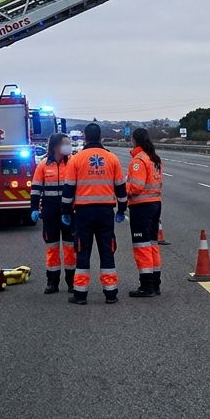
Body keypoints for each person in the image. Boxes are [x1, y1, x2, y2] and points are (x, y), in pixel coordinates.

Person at [60, 122, 127, 305]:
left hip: (83, 213)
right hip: (105, 212)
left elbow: (68, 191)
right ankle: (111, 293)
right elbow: (121, 188)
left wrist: (65, 212)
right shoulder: (112, 158)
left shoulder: (76, 159)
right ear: (100, 137)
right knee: (107, 251)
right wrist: (122, 210)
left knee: (82, 251)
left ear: (84, 136)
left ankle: (80, 294)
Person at [31, 132, 76, 294]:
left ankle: (71, 281)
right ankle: (52, 282)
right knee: (52, 248)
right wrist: (34, 208)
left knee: (70, 248)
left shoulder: (73, 163)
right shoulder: (44, 165)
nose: (68, 146)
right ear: (56, 146)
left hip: (69, 211)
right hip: (50, 212)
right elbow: (36, 189)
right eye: (66, 143)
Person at [126, 128, 164, 298]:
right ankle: (155, 283)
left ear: (135, 141)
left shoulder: (139, 160)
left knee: (142, 246)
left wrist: (121, 189)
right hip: (155, 205)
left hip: (141, 207)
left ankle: (146, 285)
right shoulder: (154, 158)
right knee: (152, 244)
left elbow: (136, 187)